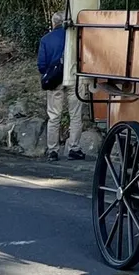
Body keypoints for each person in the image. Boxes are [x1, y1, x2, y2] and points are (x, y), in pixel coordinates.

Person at [38, 11, 84, 162]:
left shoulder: (46, 39)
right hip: (74, 78)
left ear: (53, 23)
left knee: (54, 116)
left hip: (55, 81)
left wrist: (50, 73)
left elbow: (41, 65)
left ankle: (53, 150)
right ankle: (74, 148)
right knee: (76, 115)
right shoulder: (75, 37)